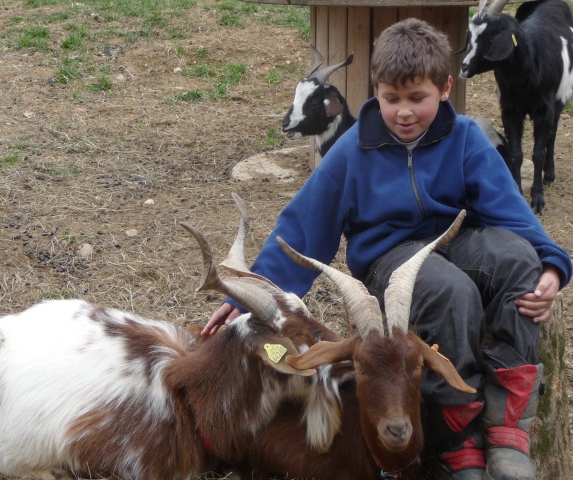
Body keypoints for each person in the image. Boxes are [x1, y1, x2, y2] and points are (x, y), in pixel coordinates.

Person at [202, 18, 572, 480]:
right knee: (451, 293)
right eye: (390, 98)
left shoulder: (466, 140)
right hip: (391, 260)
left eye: (418, 98)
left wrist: (553, 265)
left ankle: (508, 427)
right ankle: (458, 441)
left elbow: (512, 214)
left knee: (519, 262)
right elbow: (301, 230)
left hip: (459, 241)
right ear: (374, 89)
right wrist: (242, 297)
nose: (403, 112)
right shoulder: (352, 151)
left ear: (445, 88)